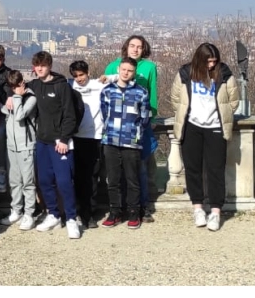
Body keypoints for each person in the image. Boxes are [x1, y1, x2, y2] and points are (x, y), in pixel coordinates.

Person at [170, 43, 240, 232]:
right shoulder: (185, 73)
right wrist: (189, 116)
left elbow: (233, 101)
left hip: (215, 127)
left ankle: (216, 212)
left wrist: (221, 117)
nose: (211, 65)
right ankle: (198, 208)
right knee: (193, 169)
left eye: (214, 61)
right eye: (208, 61)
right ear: (199, 59)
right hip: (191, 127)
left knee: (215, 170)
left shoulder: (224, 73)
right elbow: (176, 99)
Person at [101, 35, 158, 223]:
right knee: (115, 176)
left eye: (139, 47)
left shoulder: (149, 68)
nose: (135, 49)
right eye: (132, 46)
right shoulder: (112, 66)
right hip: (113, 132)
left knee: (138, 171)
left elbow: (151, 97)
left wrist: (144, 124)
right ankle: (118, 210)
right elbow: (104, 103)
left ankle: (140, 208)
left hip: (135, 130)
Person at [28, 51, 81, 239]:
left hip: (60, 143)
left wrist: (65, 138)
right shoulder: (34, 85)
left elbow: (70, 114)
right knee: (44, 180)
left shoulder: (61, 86)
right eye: (37, 65)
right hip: (42, 141)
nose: (40, 68)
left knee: (64, 181)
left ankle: (72, 218)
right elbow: (16, 88)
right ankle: (53, 214)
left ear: (49, 65)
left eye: (43, 65)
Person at [69, 60, 108, 229]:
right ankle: (79, 211)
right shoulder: (70, 86)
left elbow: (121, 78)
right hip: (76, 137)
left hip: (95, 137)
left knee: (93, 176)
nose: (79, 79)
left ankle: (90, 213)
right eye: (76, 76)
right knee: (77, 176)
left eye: (81, 75)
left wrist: (108, 77)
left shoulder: (98, 85)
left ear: (88, 73)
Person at [1, 71, 37, 230]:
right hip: (12, 146)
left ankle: (29, 213)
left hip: (26, 145)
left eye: (18, 85)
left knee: (28, 182)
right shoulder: (13, 98)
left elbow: (19, 115)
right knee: (14, 181)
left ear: (23, 82)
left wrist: (15, 97)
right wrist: (11, 99)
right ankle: (16, 210)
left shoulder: (31, 98)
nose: (16, 89)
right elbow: (4, 111)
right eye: (13, 87)